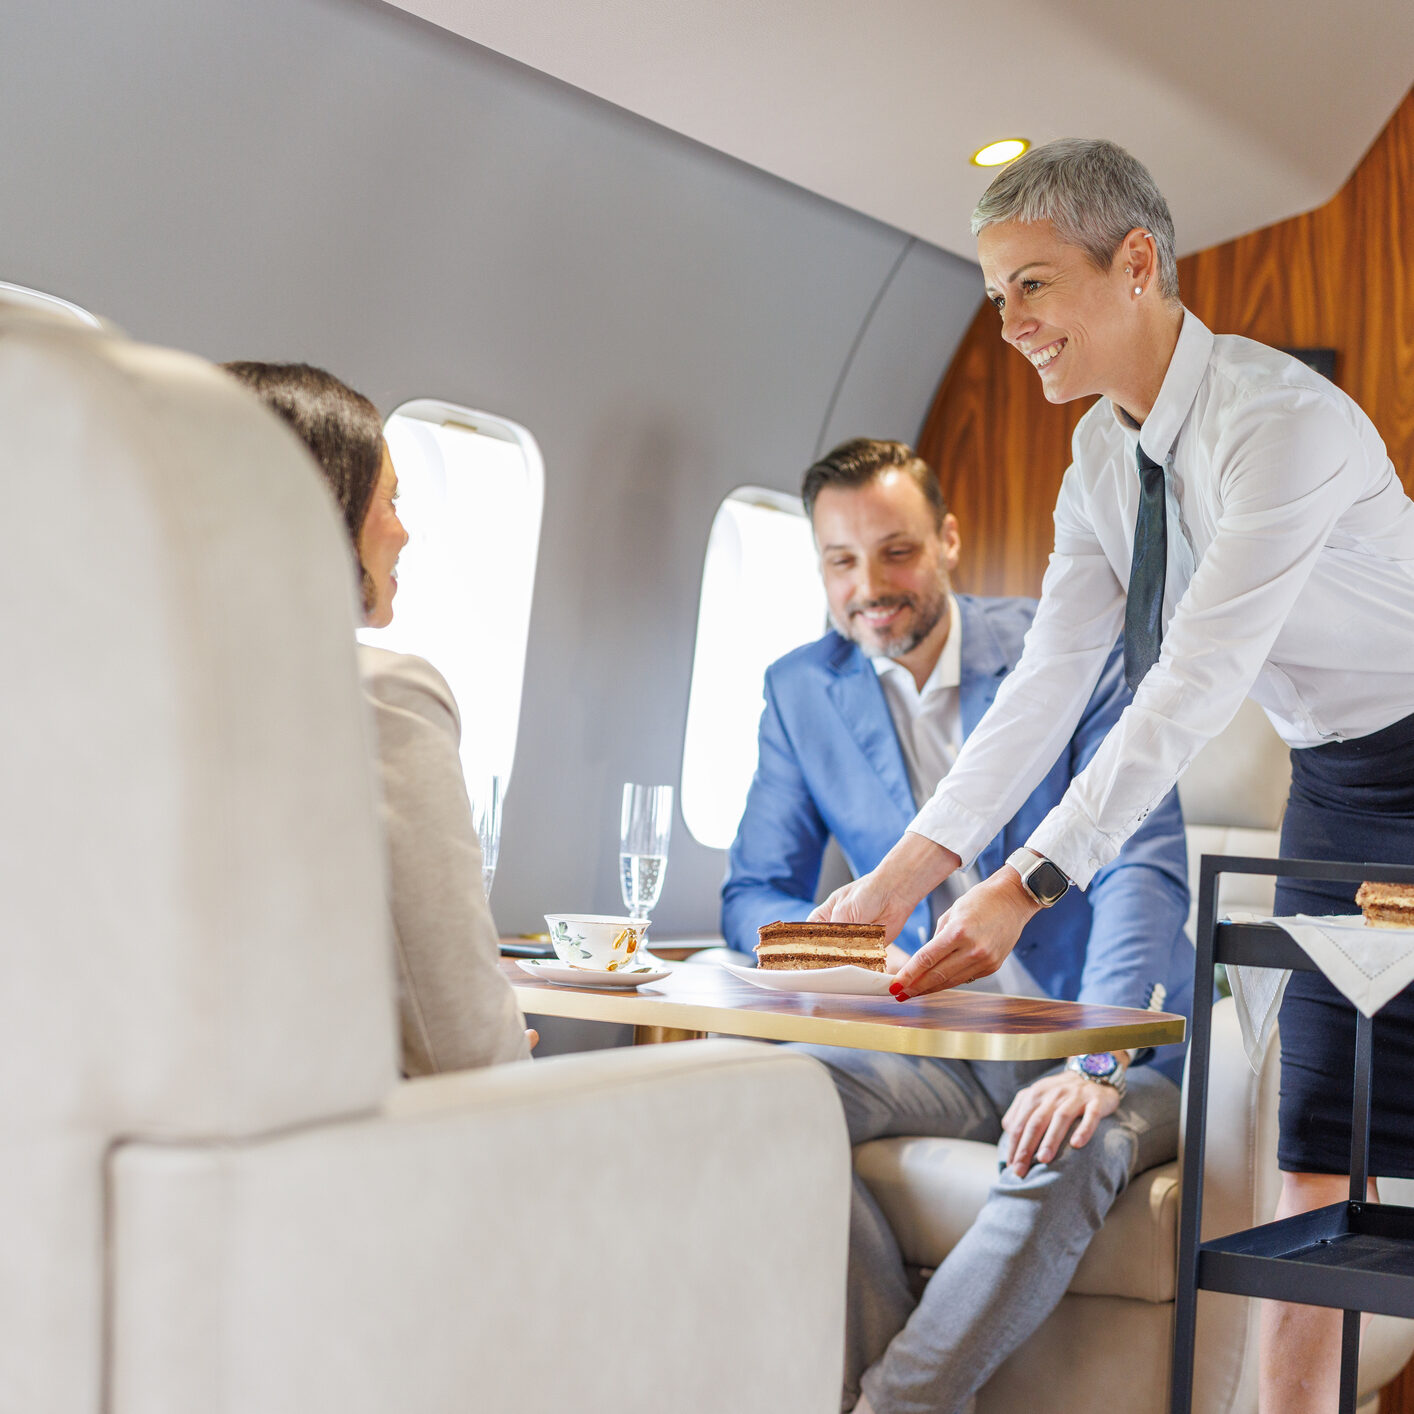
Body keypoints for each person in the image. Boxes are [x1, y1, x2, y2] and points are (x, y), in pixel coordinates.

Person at [814, 141, 1414, 1413]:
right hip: (1337, 786)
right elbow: (1052, 680)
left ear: (1136, 264)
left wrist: (1027, 883)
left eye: (1032, 286)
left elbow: (1187, 684)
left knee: (1387, 1143)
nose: (1012, 324)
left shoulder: (1281, 426)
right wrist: (908, 871)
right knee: (1314, 1146)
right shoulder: (1100, 461)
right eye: (993, 297)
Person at [724, 436, 1192, 1413]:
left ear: (947, 540)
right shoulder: (800, 690)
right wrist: (844, 935)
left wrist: (1093, 1059)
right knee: (767, 1100)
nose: (868, 589)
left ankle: (894, 1405)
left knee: (1063, 1145)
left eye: (894, 552)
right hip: (934, 1046)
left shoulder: (1069, 654)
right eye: (839, 563)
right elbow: (751, 893)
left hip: (1116, 1041)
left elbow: (1141, 864)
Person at [223, 361, 530, 1074]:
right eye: (389, 500)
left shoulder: (110, 683)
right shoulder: (382, 699)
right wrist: (510, 1055)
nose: (403, 532)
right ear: (320, 506)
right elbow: (465, 1047)